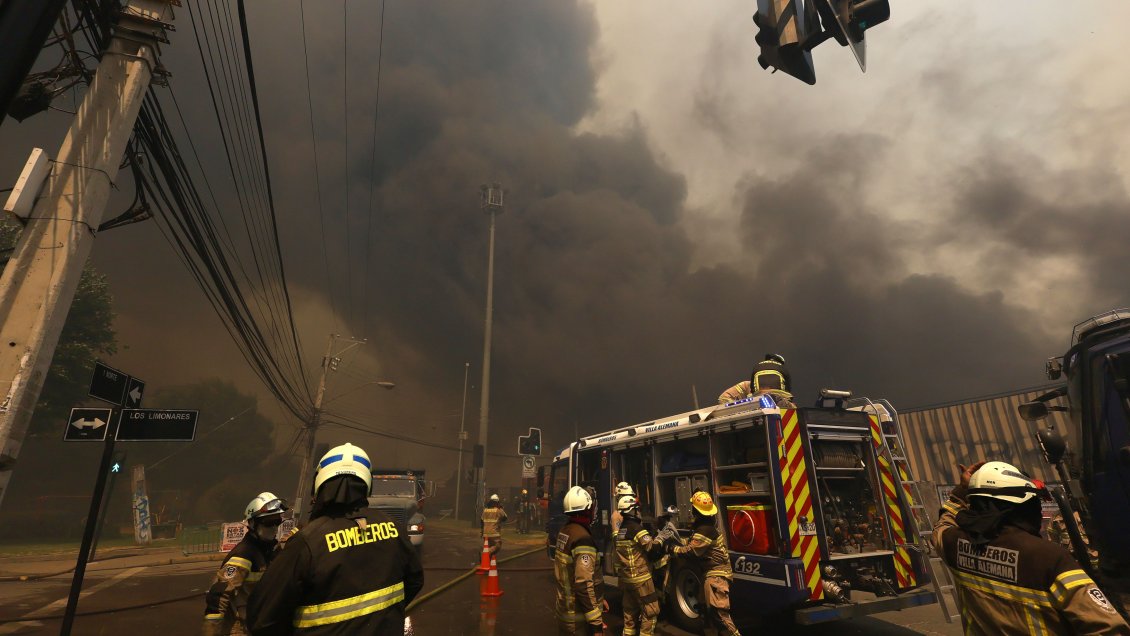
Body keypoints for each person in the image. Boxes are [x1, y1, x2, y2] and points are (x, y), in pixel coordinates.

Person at [246, 443, 424, 635]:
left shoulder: (307, 541)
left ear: (320, 484)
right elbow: (414, 580)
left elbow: (262, 618)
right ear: (367, 484)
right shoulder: (394, 528)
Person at [933, 460, 1129, 634]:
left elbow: (942, 525)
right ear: (1019, 505)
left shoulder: (956, 545)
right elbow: (1108, 628)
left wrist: (961, 492)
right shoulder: (1048, 558)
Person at [204, 492, 288, 635]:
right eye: (268, 522)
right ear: (253, 523)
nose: (275, 527)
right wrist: (211, 631)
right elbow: (219, 595)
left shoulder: (273, 550)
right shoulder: (244, 555)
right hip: (241, 628)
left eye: (277, 521)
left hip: (263, 624)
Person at [668, 491, 741, 636]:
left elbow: (690, 552)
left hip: (716, 576)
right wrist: (678, 541)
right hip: (710, 575)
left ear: (695, 510)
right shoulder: (706, 527)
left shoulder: (705, 530)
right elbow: (693, 543)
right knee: (706, 614)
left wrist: (671, 549)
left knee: (719, 616)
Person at [554, 486, 605, 635]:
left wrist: (599, 598)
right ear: (587, 510)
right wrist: (596, 625)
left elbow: (571, 573)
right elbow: (583, 585)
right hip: (578, 618)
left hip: (564, 610)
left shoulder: (565, 531)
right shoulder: (582, 539)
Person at [615, 495, 664, 636]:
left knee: (629, 615)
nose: (639, 512)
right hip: (641, 580)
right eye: (637, 509)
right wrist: (661, 539)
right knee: (650, 612)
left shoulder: (621, 532)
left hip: (627, 580)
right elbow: (652, 550)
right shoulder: (637, 530)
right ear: (632, 511)